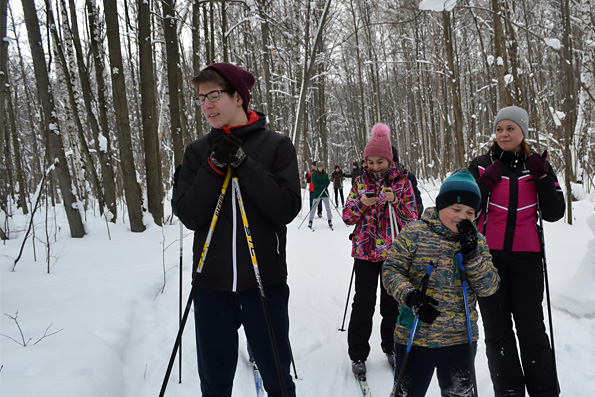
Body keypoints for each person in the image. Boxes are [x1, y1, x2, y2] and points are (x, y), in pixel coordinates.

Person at [171, 62, 300, 397]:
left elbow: (286, 208)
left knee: (277, 379)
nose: (206, 105)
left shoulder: (276, 146)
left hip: (264, 284)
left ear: (239, 98)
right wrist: (213, 168)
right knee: (214, 384)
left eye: (214, 95)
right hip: (210, 286)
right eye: (200, 98)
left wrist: (244, 164)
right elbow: (189, 214)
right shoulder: (198, 152)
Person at [468, 106, 565, 397]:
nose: (504, 134)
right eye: (499, 129)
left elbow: (555, 213)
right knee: (497, 333)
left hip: (528, 260)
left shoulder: (538, 165)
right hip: (489, 261)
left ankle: (544, 391)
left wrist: (543, 179)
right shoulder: (482, 165)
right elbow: (465, 211)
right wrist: (484, 184)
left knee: (532, 329)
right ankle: (508, 391)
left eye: (510, 128)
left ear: (523, 131)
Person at [382, 168, 500, 396]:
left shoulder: (478, 242)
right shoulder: (415, 232)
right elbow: (390, 270)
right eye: (455, 209)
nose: (462, 217)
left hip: (460, 339)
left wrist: (472, 253)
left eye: (469, 212)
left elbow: (489, 287)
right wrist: (410, 296)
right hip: (415, 336)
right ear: (440, 206)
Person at [342, 123, 418, 376]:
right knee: (363, 303)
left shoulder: (403, 182)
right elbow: (347, 217)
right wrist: (362, 203)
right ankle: (358, 354)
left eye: (380, 162)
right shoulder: (360, 183)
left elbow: (413, 219)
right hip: (364, 253)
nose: (375, 167)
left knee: (391, 305)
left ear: (389, 159)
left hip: (394, 255)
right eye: (370, 162)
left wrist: (395, 201)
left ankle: (391, 347)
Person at [391, 145, 424, 216]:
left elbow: (417, 199)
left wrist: (416, 214)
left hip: (405, 222)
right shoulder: (369, 181)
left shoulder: (407, 177)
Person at [308, 161, 333, 229]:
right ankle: (310, 221)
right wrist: (322, 185)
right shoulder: (314, 174)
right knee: (313, 208)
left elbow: (327, 181)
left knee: (328, 208)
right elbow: (315, 183)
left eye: (321, 167)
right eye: (319, 167)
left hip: (325, 193)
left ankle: (330, 220)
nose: (321, 168)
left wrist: (325, 184)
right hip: (317, 193)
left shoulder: (325, 174)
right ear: (317, 167)